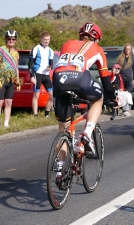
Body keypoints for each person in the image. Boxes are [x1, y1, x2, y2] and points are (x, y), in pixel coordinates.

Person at [53, 22, 117, 178]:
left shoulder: (66, 44)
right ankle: (87, 133)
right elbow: (106, 82)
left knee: (64, 129)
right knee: (98, 98)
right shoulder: (97, 49)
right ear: (96, 39)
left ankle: (60, 171)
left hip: (58, 81)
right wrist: (113, 99)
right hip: (80, 79)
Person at [0, 30, 20, 128]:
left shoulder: (16, 53)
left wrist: (18, 80)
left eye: (13, 39)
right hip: (1, 80)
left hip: (11, 80)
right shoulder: (0, 50)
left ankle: (6, 123)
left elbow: (16, 67)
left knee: (9, 102)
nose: (11, 41)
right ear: (6, 39)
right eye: (9, 39)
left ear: (15, 40)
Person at [28, 31, 54, 118]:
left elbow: (51, 64)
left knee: (51, 95)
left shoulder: (50, 50)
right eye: (45, 39)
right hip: (37, 74)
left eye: (48, 39)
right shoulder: (36, 48)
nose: (47, 41)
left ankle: (47, 114)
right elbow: (30, 64)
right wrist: (32, 76)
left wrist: (50, 67)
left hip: (46, 75)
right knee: (36, 95)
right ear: (41, 39)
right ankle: (35, 115)